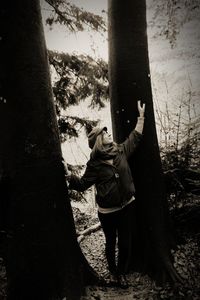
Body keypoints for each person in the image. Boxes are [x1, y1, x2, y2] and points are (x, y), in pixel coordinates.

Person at [65, 100, 145, 287]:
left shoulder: (120, 151)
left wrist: (141, 117)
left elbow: (135, 137)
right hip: (108, 212)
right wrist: (69, 176)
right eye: (105, 133)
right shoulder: (94, 165)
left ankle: (122, 273)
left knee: (125, 243)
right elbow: (83, 184)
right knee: (111, 242)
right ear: (99, 141)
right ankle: (113, 273)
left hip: (127, 206)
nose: (109, 134)